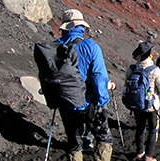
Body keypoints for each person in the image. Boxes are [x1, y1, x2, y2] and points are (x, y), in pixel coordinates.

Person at [55, 9, 113, 161]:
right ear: (81, 27)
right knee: (104, 139)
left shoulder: (53, 47)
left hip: (65, 102)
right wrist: (102, 100)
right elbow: (99, 76)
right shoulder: (90, 46)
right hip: (89, 101)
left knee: (75, 144)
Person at [126, 42, 160, 161]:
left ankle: (139, 153)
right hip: (152, 105)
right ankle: (148, 156)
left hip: (137, 104)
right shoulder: (155, 69)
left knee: (140, 128)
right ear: (149, 55)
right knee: (153, 129)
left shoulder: (131, 69)